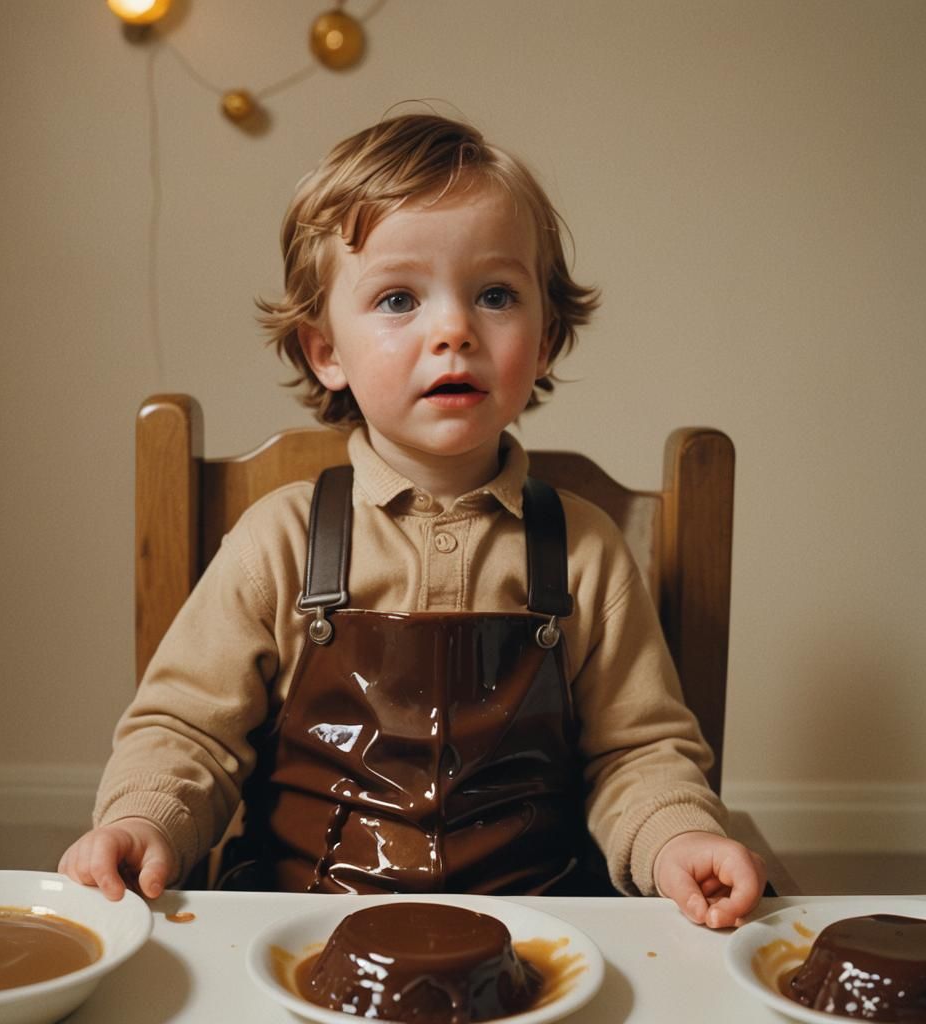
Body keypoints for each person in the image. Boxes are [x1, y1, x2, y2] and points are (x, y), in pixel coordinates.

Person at [60, 112, 765, 928]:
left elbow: (636, 752)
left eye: (495, 295)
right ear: (326, 350)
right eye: (399, 298)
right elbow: (186, 733)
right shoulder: (278, 542)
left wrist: (676, 836)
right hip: (300, 928)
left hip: (537, 931)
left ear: (544, 341)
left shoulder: (584, 552)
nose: (454, 330)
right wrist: (143, 820)